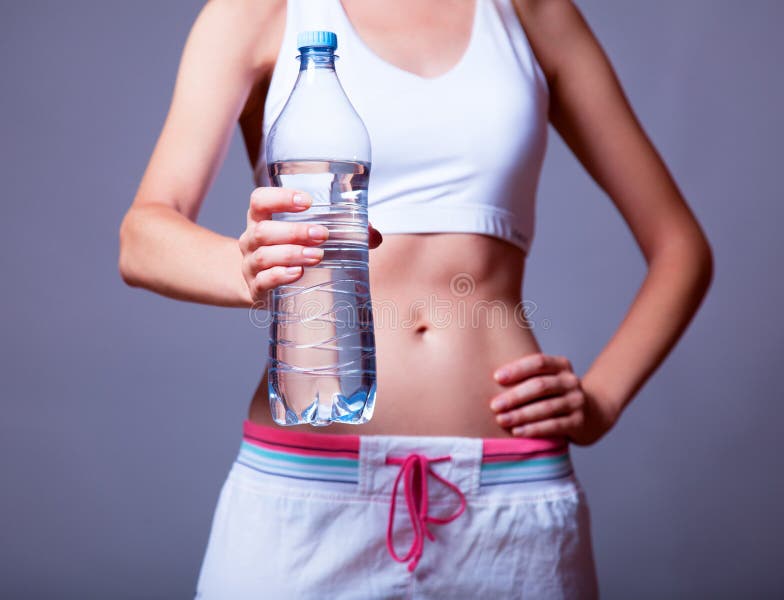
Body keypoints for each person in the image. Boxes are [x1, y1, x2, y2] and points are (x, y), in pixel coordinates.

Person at [119, 0, 714, 597]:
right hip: (308, 485)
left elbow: (680, 246)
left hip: (509, 498)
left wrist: (601, 401)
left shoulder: (530, 12)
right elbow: (143, 235)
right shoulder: (263, 10)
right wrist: (244, 270)